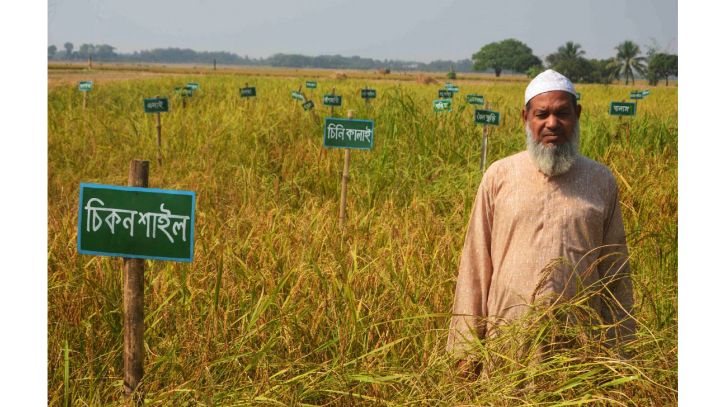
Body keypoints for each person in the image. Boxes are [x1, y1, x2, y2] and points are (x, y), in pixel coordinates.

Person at [447, 69, 635, 367]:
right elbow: (475, 266)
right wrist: (465, 352)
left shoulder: (600, 180)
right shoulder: (500, 176)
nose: (552, 123)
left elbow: (615, 271)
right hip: (506, 345)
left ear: (578, 114)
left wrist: (620, 353)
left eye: (562, 113)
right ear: (525, 118)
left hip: (579, 350)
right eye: (541, 114)